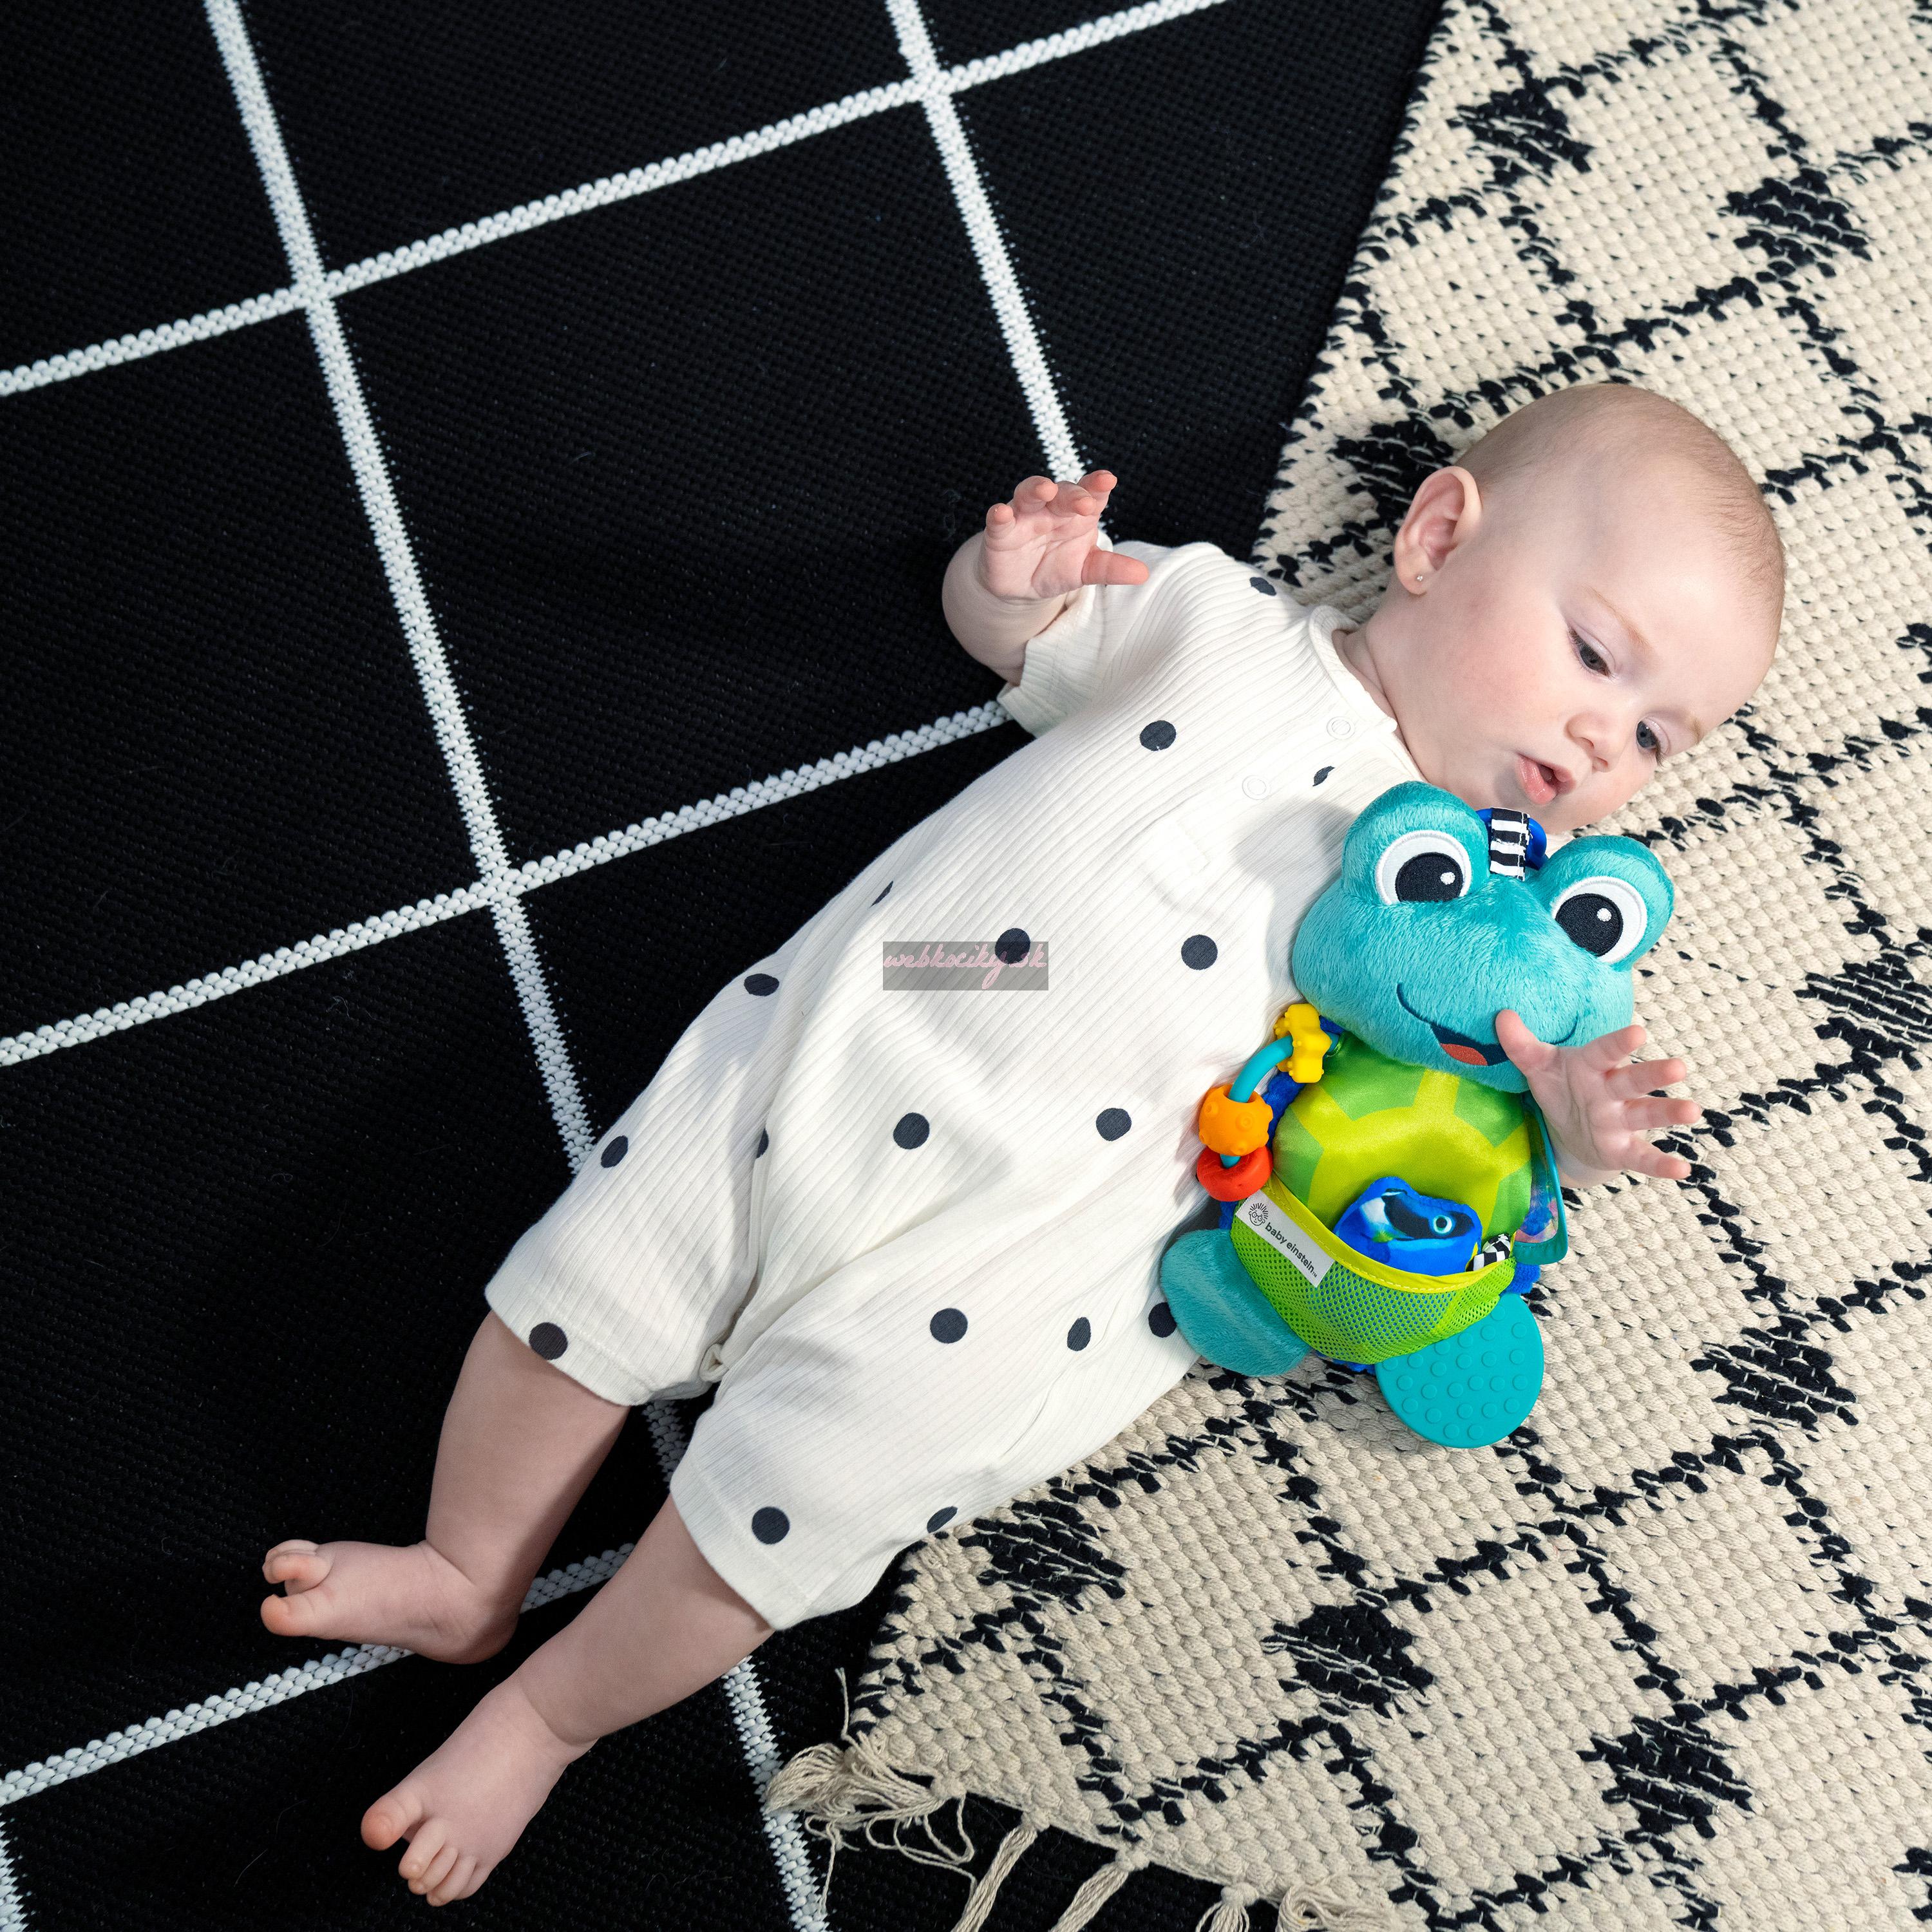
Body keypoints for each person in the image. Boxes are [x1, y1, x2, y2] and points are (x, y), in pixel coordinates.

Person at [260, 383, 1783, 1906]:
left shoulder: (1504, 932)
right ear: (1439, 539)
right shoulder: (1218, 626)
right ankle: (468, 1570)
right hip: (845, 1054)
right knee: (579, 1296)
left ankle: (546, 1717)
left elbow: (1475, 1136)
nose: (1605, 738)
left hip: (1035, 1259)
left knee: (778, 1520)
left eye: (1659, 736)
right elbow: (1022, 645)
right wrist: (1010, 582)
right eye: (1596, 657)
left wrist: (1576, 1118)